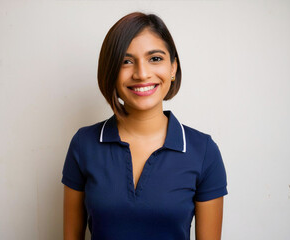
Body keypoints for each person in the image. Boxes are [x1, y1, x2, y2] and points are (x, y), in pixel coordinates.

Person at [62, 12, 227, 240]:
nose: (142, 73)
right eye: (126, 61)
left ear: (172, 68)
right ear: (111, 72)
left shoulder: (204, 151)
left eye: (155, 58)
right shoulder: (83, 144)